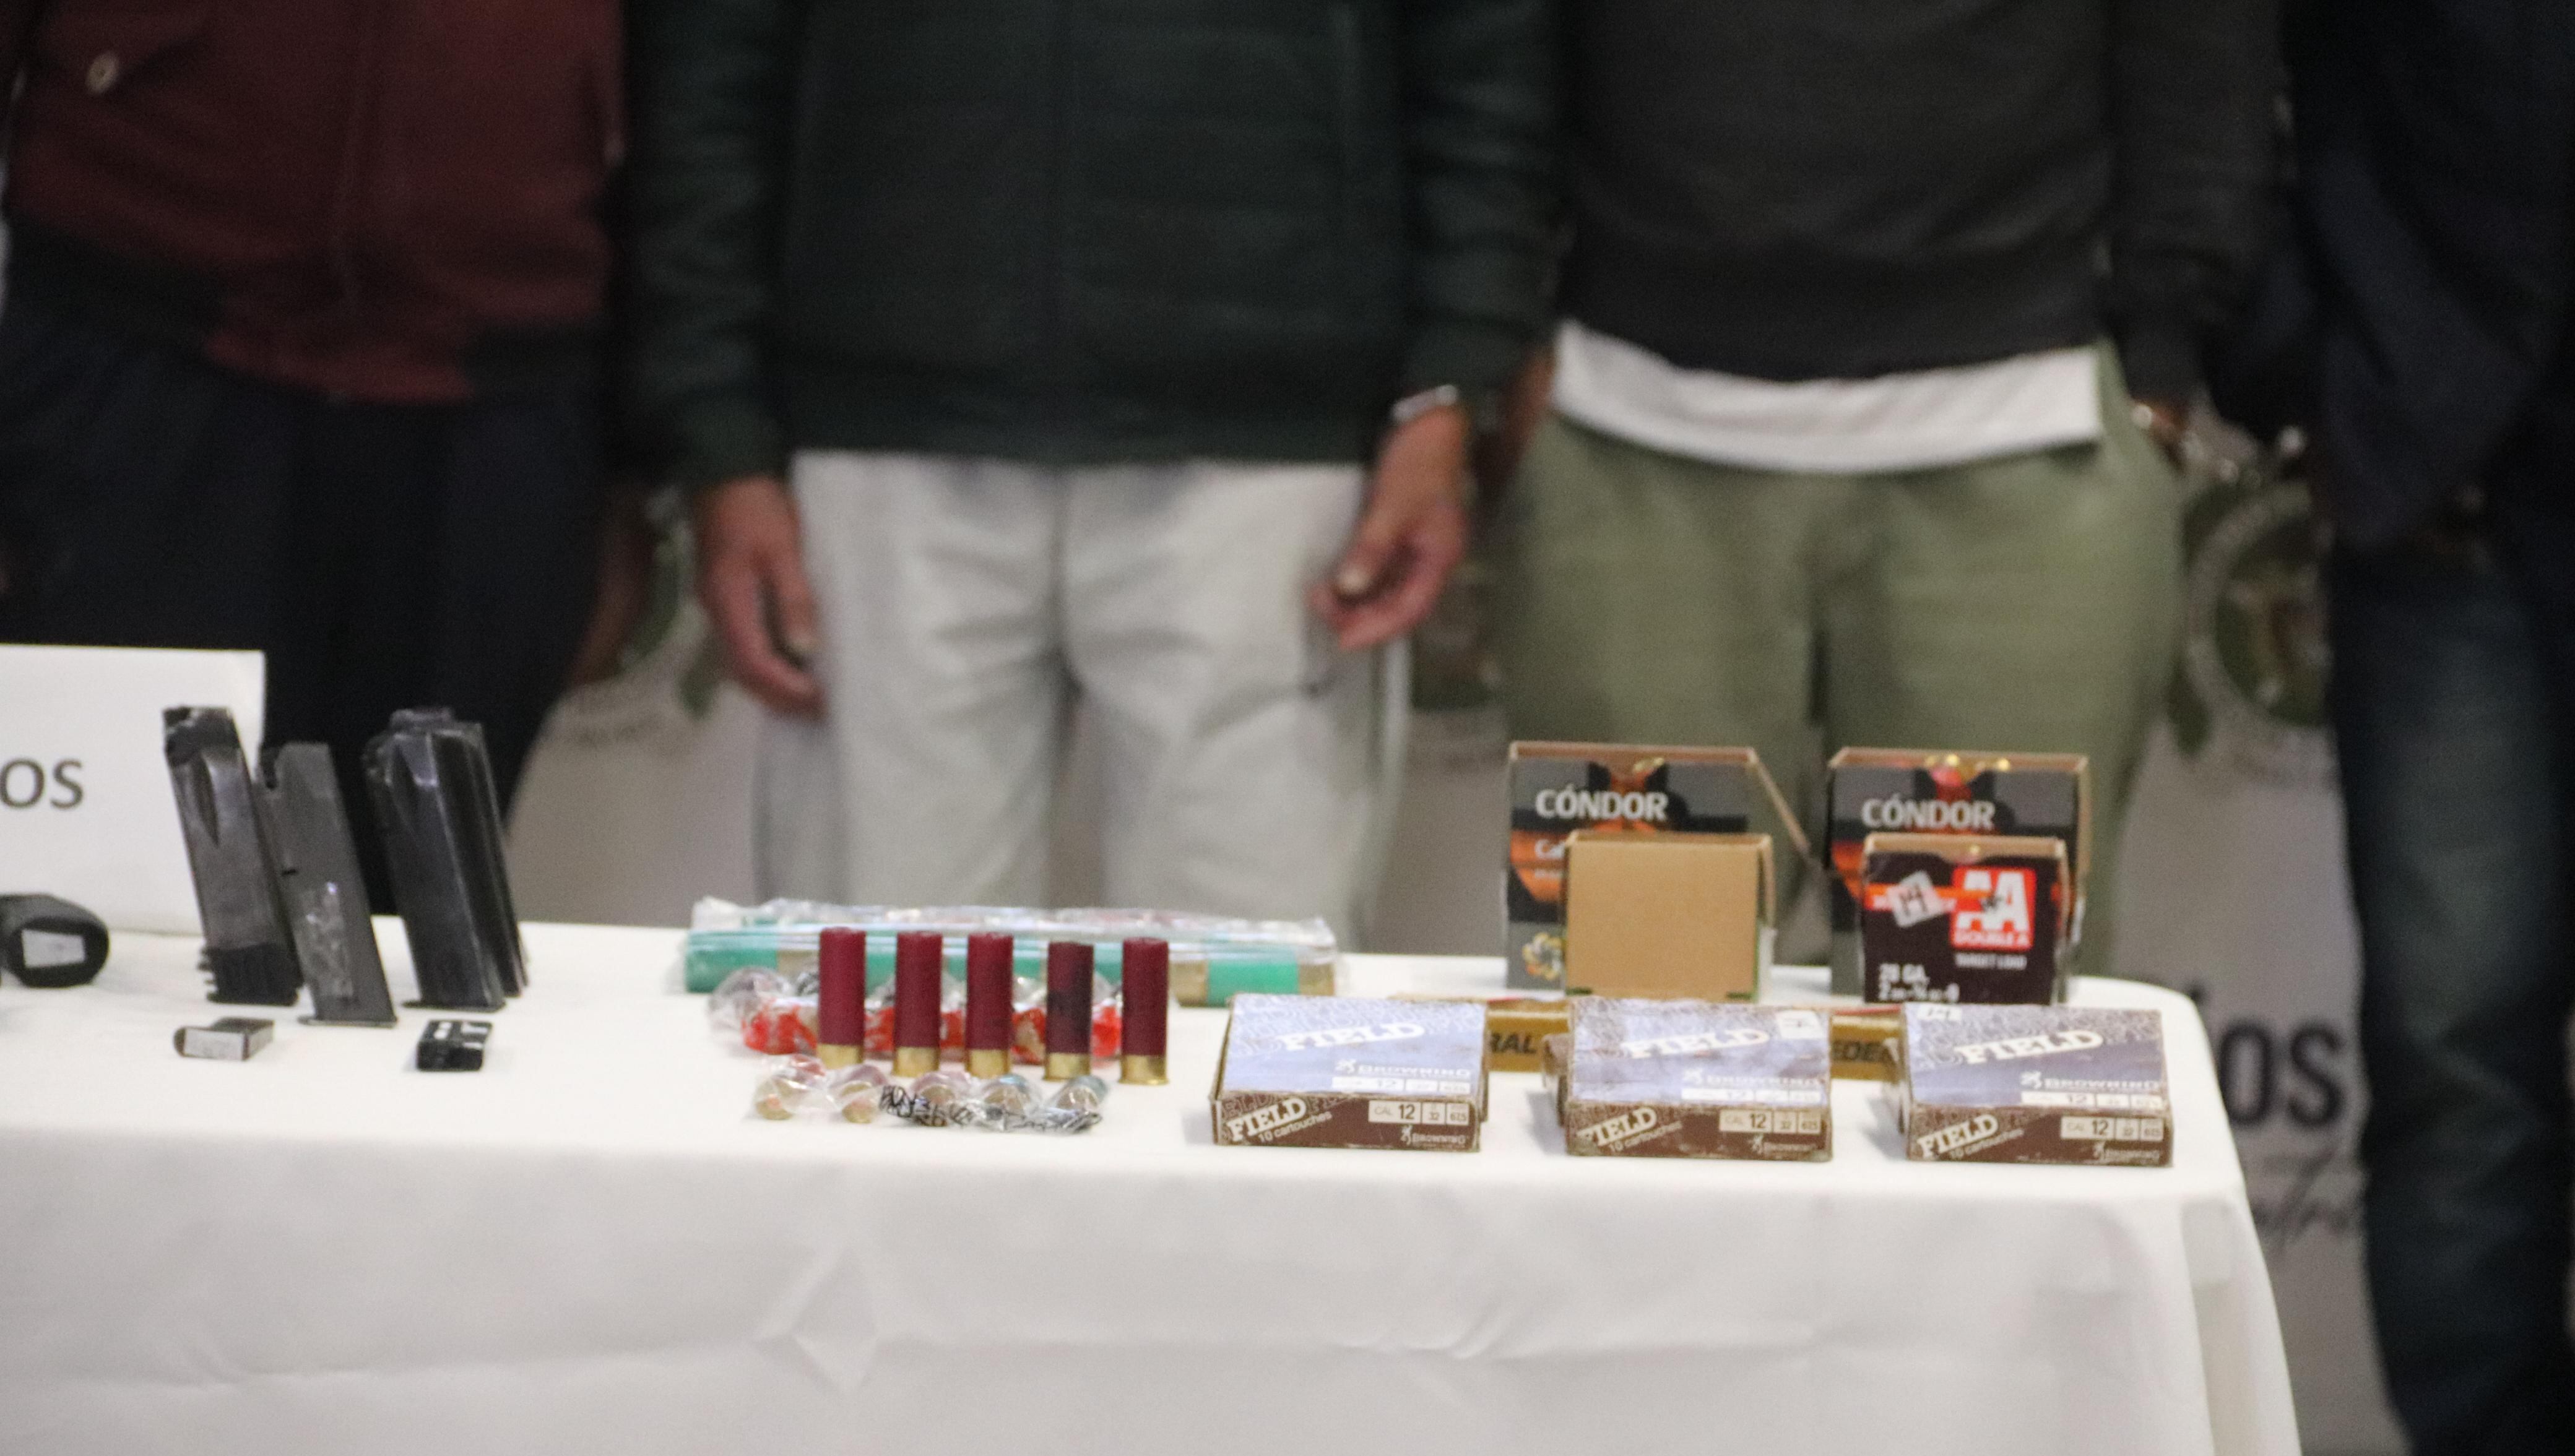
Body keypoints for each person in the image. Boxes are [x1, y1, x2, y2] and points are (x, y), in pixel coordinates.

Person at [629, 0, 1554, 936]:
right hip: (885, 438)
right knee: (879, 993)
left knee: (1244, 988)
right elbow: (707, 79)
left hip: (1267, 454)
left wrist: (1446, 389)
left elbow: (1485, 64)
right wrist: (721, 439)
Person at [1484, 0, 2277, 958]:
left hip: (2023, 460)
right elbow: (1492, 58)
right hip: (1632, 456)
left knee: (1985, 1030)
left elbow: (2203, 57)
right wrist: (1495, 334)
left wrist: (2163, 360)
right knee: (1631, 1003)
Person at [2215, 2, 2575, 1456]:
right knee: (2457, 1056)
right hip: (2453, 476)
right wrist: (2311, 361)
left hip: (2447, 452)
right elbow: (2238, 72)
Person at [0, 0, 626, 890]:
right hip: (133, 354)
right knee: (114, 898)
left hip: (499, 392)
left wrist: (654, 462)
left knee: (423, 924)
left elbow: (695, 101)